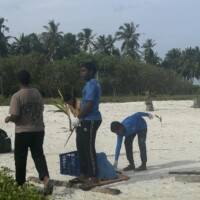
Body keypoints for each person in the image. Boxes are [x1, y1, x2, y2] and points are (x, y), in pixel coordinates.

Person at [4, 69, 53, 196]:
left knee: (20, 158)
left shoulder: (17, 96)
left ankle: (20, 185)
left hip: (23, 131)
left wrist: (8, 119)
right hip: (38, 130)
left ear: (19, 81)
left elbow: (15, 115)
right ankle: (46, 179)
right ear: (29, 80)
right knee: (38, 155)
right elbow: (41, 108)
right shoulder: (36, 93)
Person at [72, 62, 102, 189]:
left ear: (91, 71)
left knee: (88, 147)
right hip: (85, 119)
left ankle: (94, 177)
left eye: (84, 70)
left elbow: (89, 104)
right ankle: (83, 174)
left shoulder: (92, 85)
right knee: (80, 145)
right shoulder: (89, 84)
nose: (81, 72)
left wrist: (78, 117)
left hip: (91, 120)